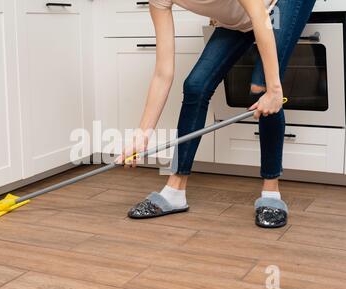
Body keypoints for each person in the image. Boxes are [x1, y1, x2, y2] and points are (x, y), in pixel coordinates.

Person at [121, 0, 316, 228]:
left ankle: (271, 193)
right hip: (240, 20)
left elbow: (260, 18)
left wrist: (274, 89)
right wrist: (142, 133)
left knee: (261, 87)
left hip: (280, 6)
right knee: (195, 86)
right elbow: (163, 73)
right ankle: (175, 191)